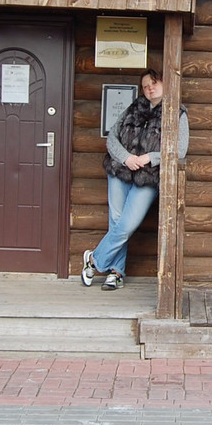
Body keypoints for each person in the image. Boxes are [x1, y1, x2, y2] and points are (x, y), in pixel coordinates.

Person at [81, 68, 189, 291]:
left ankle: (93, 259)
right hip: (120, 171)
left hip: (148, 177)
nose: (150, 88)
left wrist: (151, 157)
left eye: (154, 83)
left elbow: (180, 150)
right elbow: (112, 139)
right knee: (116, 221)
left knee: (127, 225)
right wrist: (126, 158)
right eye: (145, 85)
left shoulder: (177, 112)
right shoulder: (134, 108)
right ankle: (116, 272)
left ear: (165, 84)